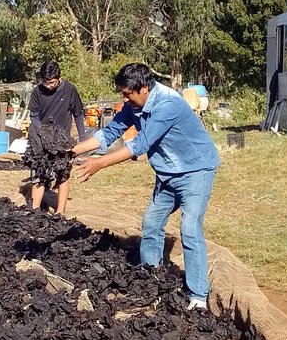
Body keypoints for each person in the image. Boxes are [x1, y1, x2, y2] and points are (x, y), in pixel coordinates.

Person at [73, 62, 220, 310]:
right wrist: (71, 150)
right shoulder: (134, 105)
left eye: (127, 93)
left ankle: (198, 297)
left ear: (143, 88)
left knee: (190, 228)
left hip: (195, 170)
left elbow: (138, 145)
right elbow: (108, 134)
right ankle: (150, 277)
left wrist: (99, 164)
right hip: (167, 173)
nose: (124, 98)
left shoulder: (167, 104)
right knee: (151, 222)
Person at [27, 60, 87, 215]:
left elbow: (78, 114)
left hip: (62, 139)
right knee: (39, 173)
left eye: (52, 82)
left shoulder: (69, 89)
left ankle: (60, 212)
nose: (48, 86)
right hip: (40, 138)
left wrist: (83, 139)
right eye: (45, 82)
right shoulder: (37, 92)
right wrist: (42, 132)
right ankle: (35, 211)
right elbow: (33, 115)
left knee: (62, 175)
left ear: (59, 78)